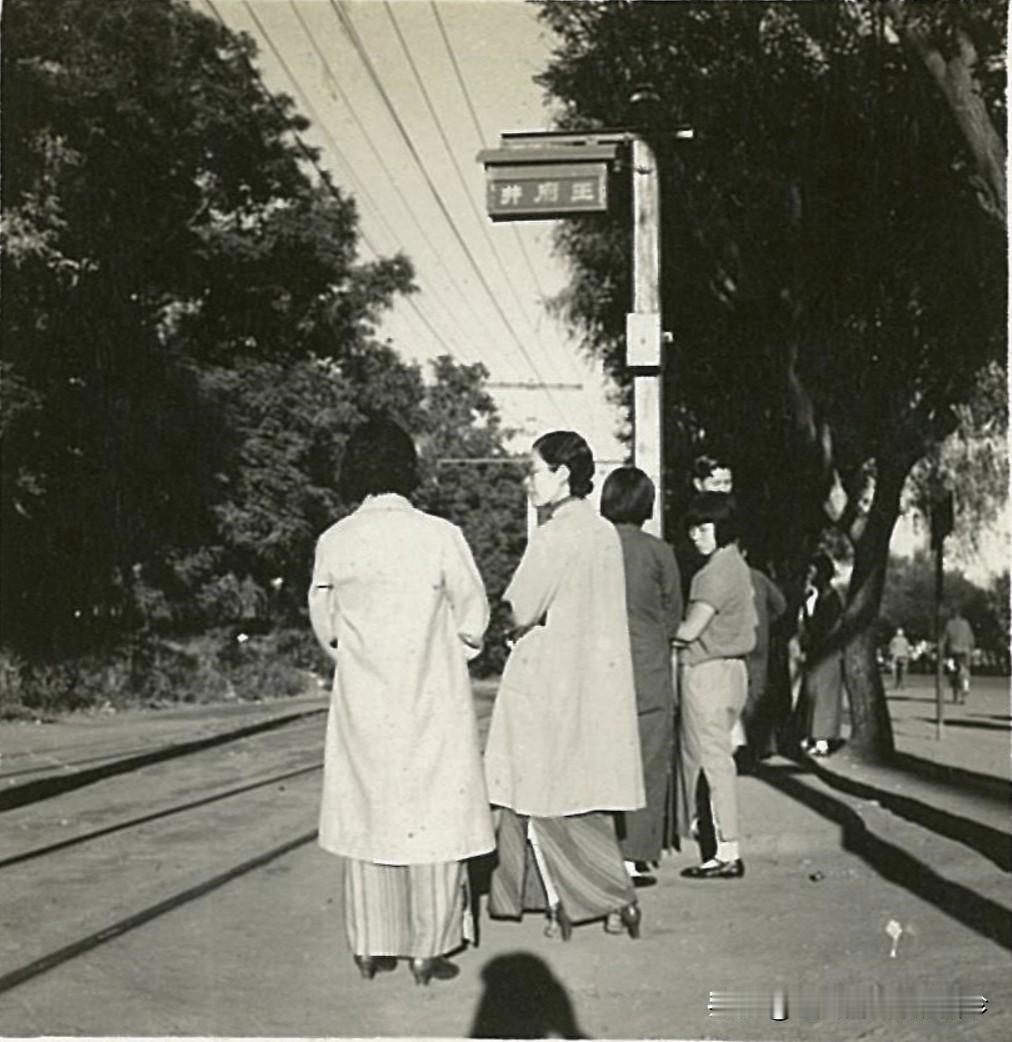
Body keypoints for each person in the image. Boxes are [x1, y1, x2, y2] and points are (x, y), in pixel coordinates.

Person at [308, 418, 494, 987]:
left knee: (370, 816)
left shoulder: (335, 540)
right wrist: (449, 654)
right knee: (435, 816)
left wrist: (356, 660)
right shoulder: (441, 535)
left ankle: (370, 944)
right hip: (432, 698)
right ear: (406, 468)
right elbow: (473, 617)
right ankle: (426, 949)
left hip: (365, 702)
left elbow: (326, 626)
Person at [483, 431, 644, 941]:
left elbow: (519, 608)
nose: (528, 481)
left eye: (534, 470)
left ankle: (566, 902)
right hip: (594, 679)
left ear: (562, 474)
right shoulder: (602, 533)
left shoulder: (553, 536)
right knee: (584, 792)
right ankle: (614, 897)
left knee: (536, 790)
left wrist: (486, 627)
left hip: (548, 678)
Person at [600, 466, 683, 884]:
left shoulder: (594, 547)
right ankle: (636, 854)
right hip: (648, 668)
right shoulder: (659, 551)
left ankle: (599, 849)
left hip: (599, 668)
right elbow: (673, 616)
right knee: (648, 761)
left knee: (602, 760)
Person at [674, 492, 757, 880]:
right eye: (692, 527)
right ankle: (721, 843)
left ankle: (726, 851)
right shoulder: (738, 566)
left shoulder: (710, 574)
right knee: (720, 759)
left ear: (721, 528)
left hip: (706, 672)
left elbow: (690, 629)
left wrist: (655, 629)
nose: (695, 535)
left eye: (703, 527)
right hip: (735, 670)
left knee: (712, 764)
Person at [739, 544, 787, 769]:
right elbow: (781, 606)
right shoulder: (759, 578)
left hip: (735, 640)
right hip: (760, 641)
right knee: (758, 691)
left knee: (740, 692)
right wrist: (767, 623)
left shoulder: (723, 576)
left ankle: (744, 746)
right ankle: (761, 745)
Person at [798, 552, 846, 757]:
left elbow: (823, 627)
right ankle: (816, 736)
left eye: (813, 571)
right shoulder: (820, 597)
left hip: (827, 653)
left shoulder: (830, 598)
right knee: (815, 694)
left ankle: (822, 739)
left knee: (824, 696)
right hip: (818, 653)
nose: (810, 575)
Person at [943, 607, 976, 703]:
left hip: (953, 651)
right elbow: (971, 638)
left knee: (953, 671)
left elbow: (945, 637)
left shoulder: (949, 624)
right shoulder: (966, 624)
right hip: (965, 651)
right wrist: (971, 647)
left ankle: (955, 696)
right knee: (965, 670)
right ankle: (965, 688)